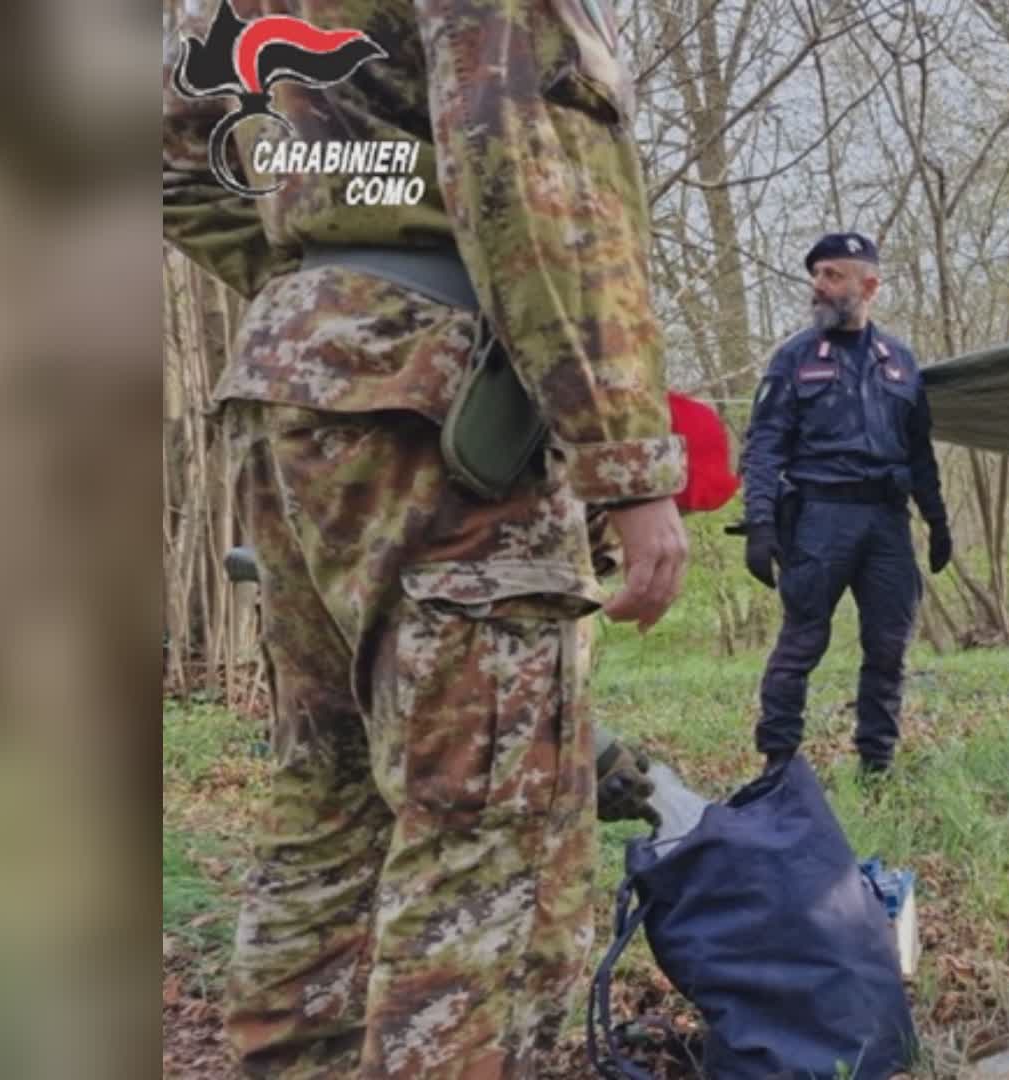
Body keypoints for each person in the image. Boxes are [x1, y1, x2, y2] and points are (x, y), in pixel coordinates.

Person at [164, 1, 690, 1075]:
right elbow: (524, 175)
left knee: (331, 791)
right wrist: (629, 464)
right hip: (438, 413)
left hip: (295, 391)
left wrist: (323, 282)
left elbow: (173, 154)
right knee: (484, 831)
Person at [737, 232, 951, 777]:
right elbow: (763, 445)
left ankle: (877, 765)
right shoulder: (793, 357)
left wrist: (936, 517)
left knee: (888, 647)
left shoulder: (900, 360)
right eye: (817, 275)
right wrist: (761, 521)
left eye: (833, 275)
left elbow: (919, 447)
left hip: (887, 522)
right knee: (801, 643)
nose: (819, 286)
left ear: (869, 285)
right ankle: (778, 768)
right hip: (819, 518)